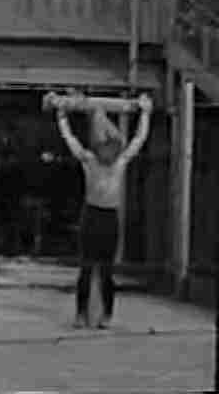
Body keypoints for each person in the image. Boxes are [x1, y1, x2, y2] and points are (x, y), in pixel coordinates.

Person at [53, 92, 152, 329]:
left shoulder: (120, 162)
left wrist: (145, 113)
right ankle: (80, 314)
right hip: (92, 215)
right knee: (86, 268)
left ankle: (106, 315)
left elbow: (139, 139)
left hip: (109, 216)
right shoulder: (89, 160)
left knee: (107, 270)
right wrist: (61, 116)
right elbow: (69, 138)